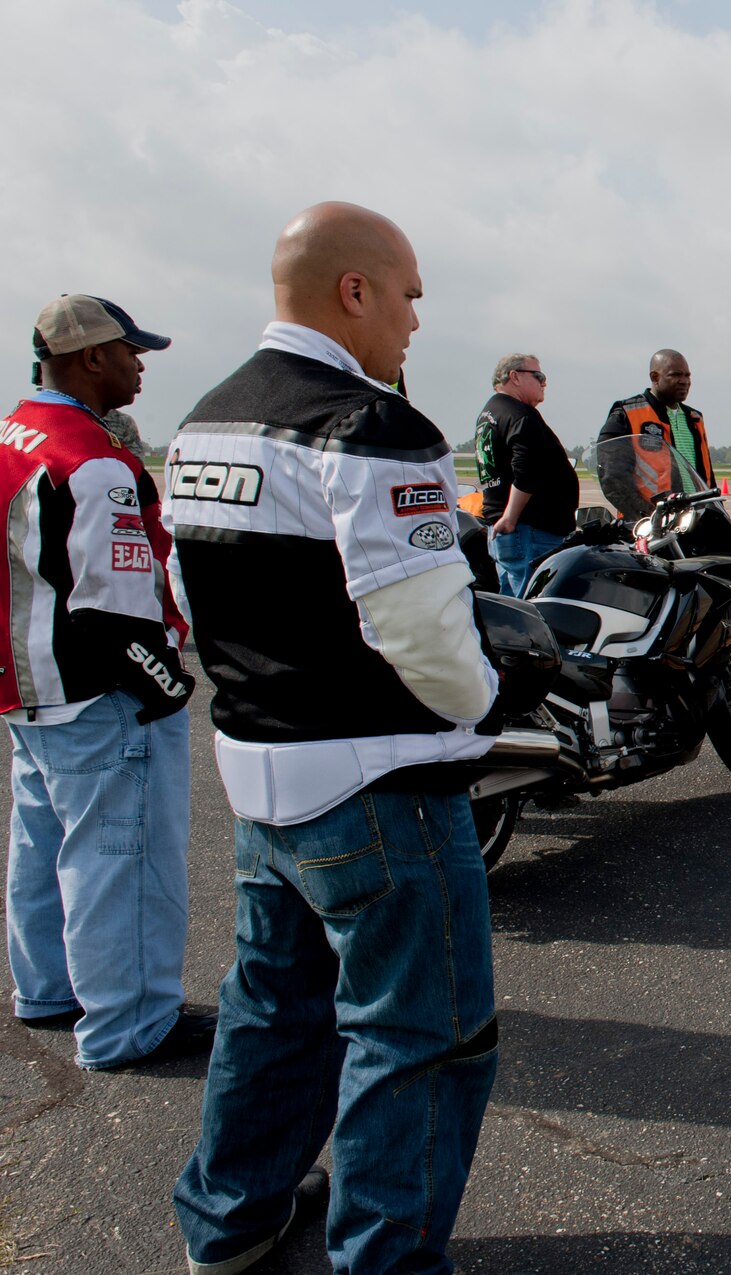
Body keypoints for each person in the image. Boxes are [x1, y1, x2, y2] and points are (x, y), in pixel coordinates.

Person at [169, 202, 501, 1273]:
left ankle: (228, 1222)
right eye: (406, 294)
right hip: (377, 787)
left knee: (271, 1014)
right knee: (419, 1039)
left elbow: (189, 600)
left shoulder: (205, 422)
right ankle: (385, 1259)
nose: (414, 321)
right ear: (352, 291)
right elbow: (422, 630)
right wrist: (482, 702)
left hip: (263, 779)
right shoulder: (371, 426)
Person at [3, 295, 203, 1071]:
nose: (140, 364)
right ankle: (129, 1022)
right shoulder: (90, 456)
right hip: (96, 689)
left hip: (29, 682)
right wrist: (166, 684)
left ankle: (49, 988)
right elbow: (116, 606)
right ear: (90, 358)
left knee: (43, 841)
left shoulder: (14, 432)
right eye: (130, 350)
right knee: (121, 856)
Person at [474, 352, 577, 596]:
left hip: (512, 531)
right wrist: (510, 517)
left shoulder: (491, 413)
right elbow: (526, 468)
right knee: (534, 607)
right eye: (539, 376)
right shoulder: (520, 415)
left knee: (511, 608)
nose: (544, 383)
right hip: (529, 532)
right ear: (515, 377)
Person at [598, 348, 713, 518]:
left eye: (687, 376)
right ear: (655, 377)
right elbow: (613, 478)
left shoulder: (694, 419)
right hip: (650, 526)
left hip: (694, 520)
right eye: (675, 375)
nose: (684, 381)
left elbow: (706, 475)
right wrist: (649, 516)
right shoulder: (626, 414)